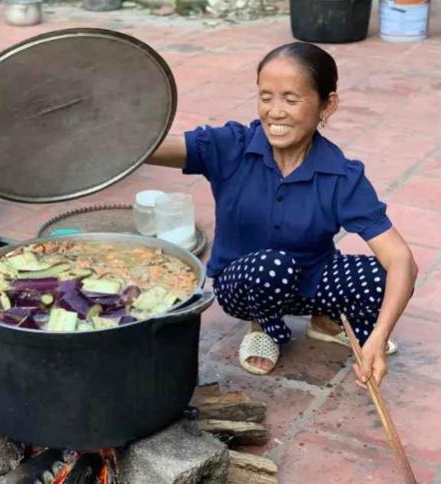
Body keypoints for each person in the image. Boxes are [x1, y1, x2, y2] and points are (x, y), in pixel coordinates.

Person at [147, 42, 418, 387]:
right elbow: (150, 149)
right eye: (266, 97)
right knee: (273, 266)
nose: (275, 112)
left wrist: (380, 334)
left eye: (291, 100)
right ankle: (263, 327)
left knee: (386, 276)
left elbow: (401, 259)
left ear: (327, 104)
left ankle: (325, 321)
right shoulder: (231, 146)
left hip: (310, 280)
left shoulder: (340, 174)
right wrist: (100, 140)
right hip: (243, 284)